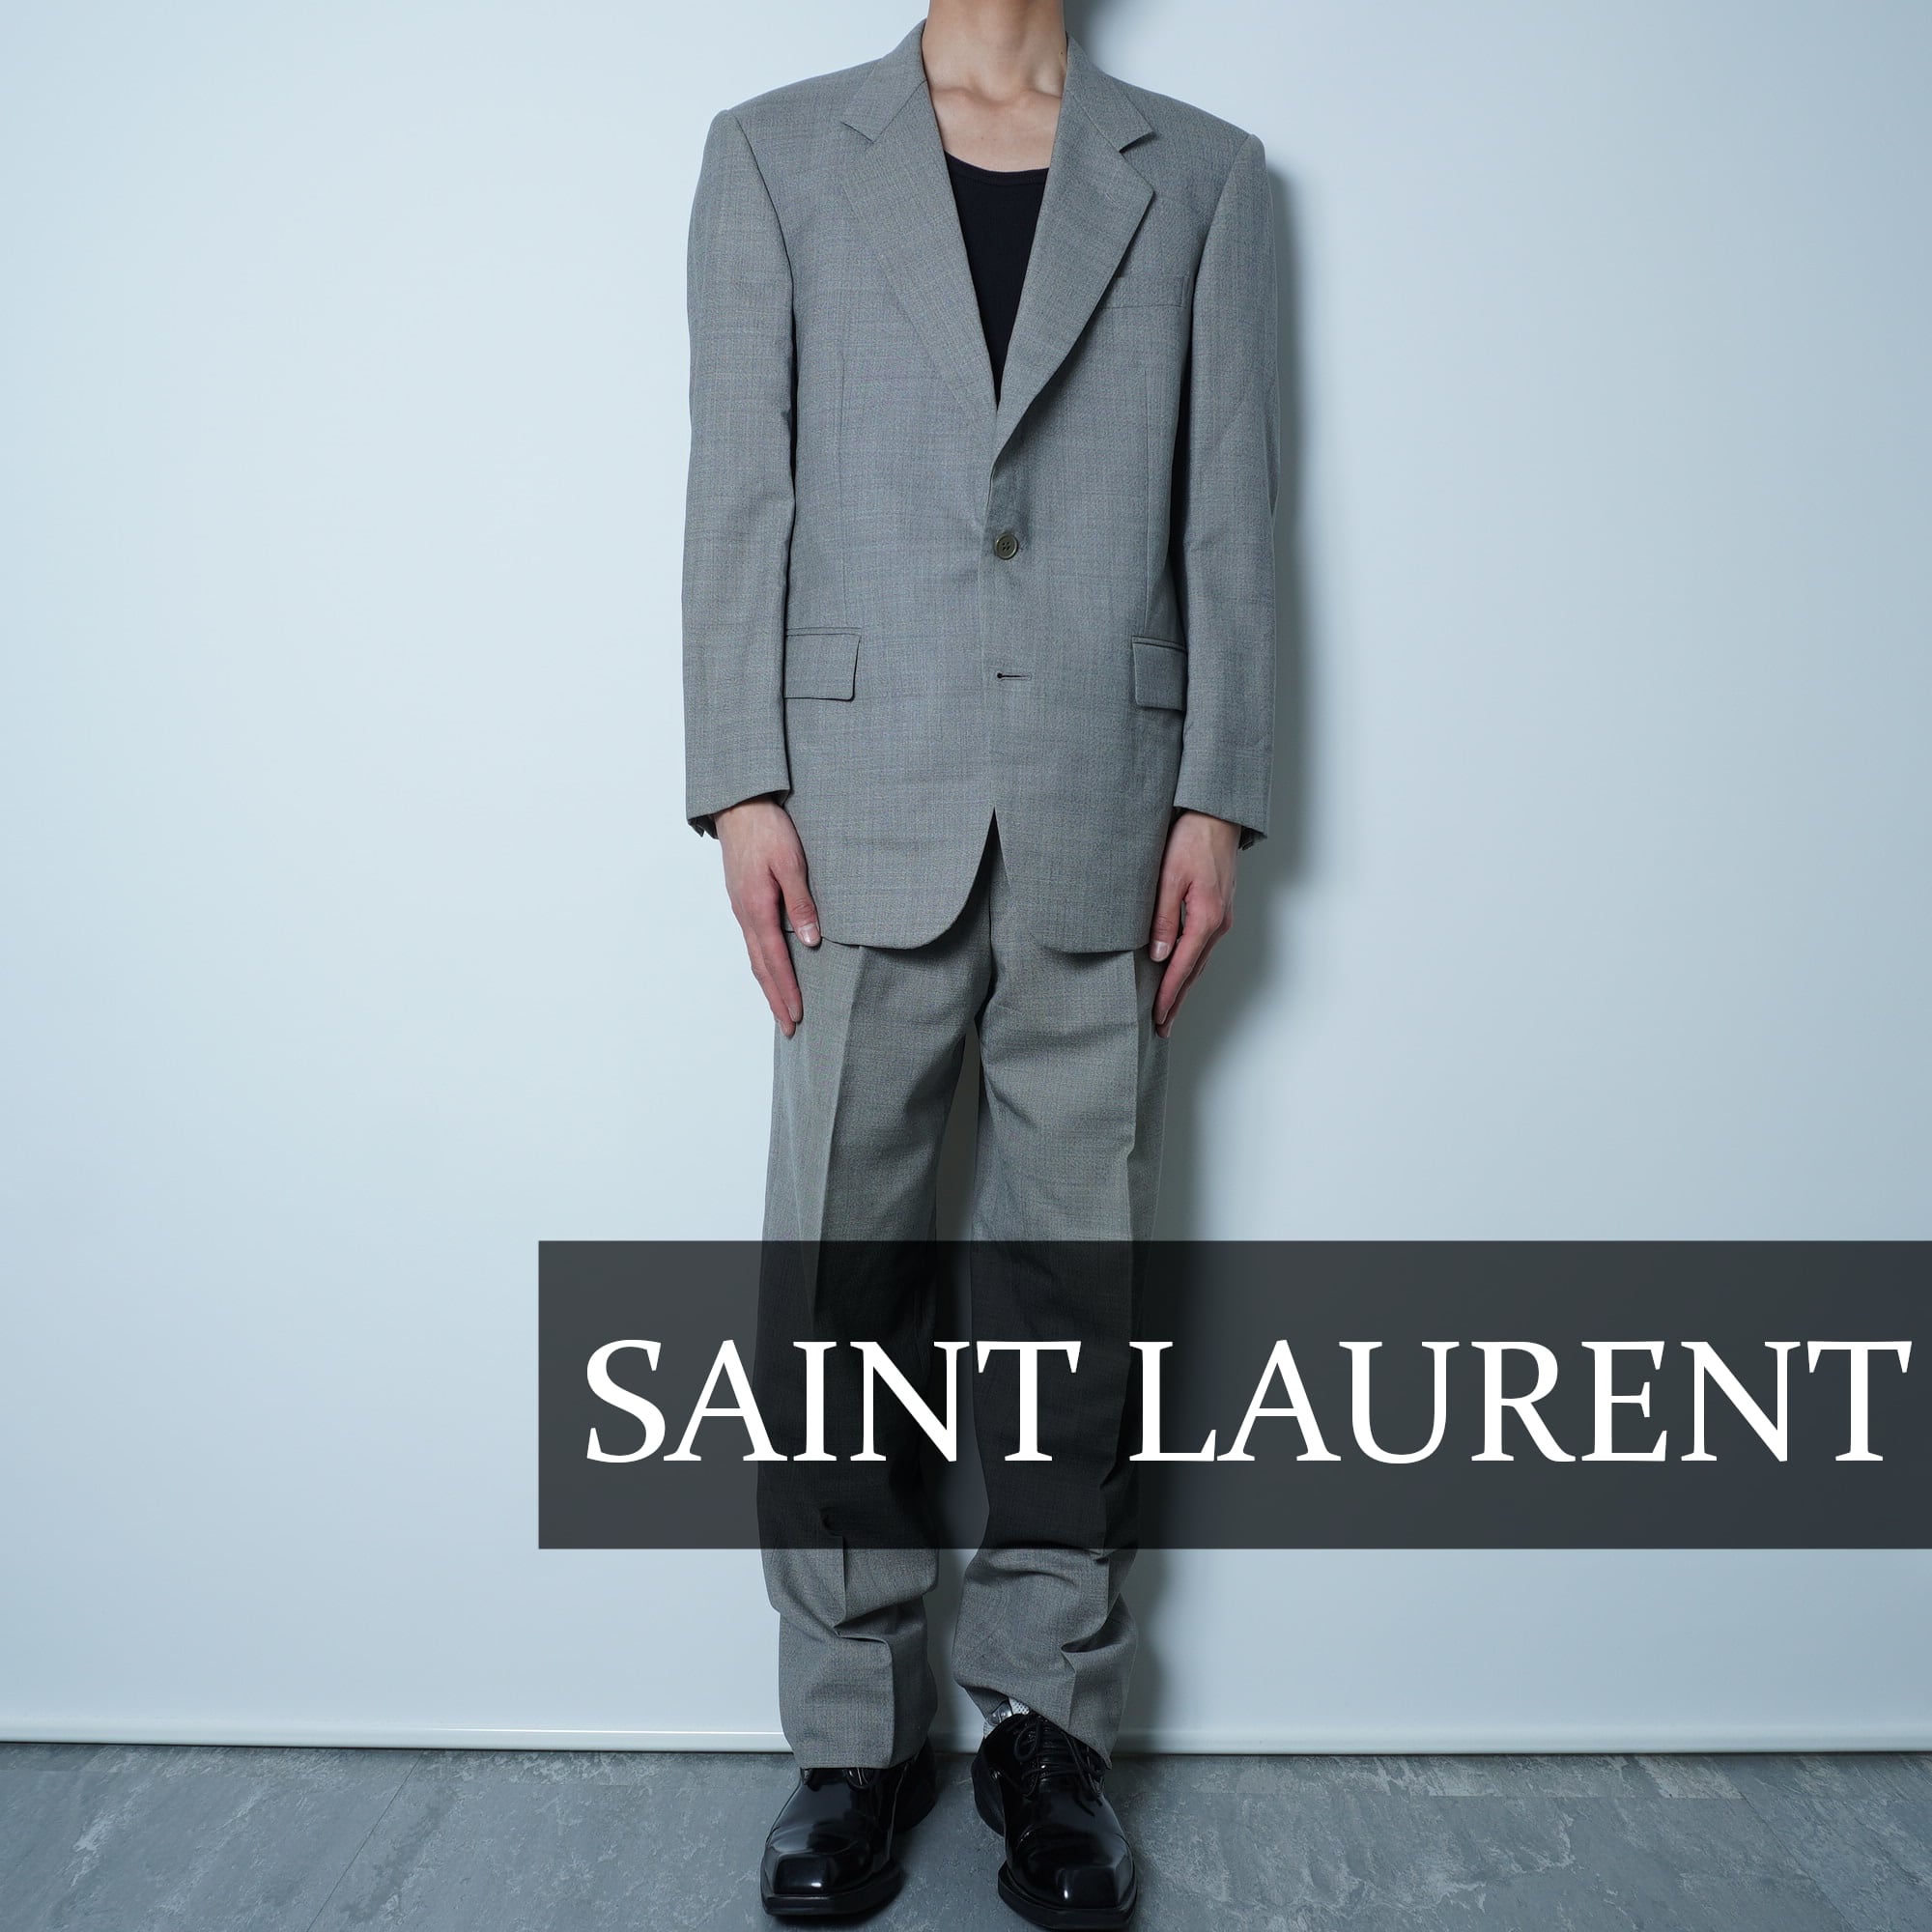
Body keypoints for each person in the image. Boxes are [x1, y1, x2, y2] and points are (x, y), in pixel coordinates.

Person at [682, 3, 1278, 1921]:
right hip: (853, 800)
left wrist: (1221, 789)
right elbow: (739, 480)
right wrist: (738, 780)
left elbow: (1229, 505)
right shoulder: (775, 152)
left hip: (1112, 792)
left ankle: (1046, 1727)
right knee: (836, 1275)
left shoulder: (1202, 176)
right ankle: (852, 1734)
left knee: (1076, 1284)